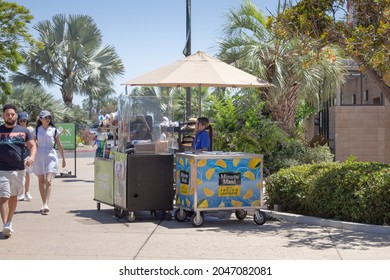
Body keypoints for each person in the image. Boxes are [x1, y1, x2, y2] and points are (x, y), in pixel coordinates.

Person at [0, 104, 36, 238]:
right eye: (7, 114)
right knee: (3, 196)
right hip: (2, 169)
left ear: (16, 115)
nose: (10, 116)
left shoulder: (24, 131)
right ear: (3, 115)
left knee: (13, 197)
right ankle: (5, 225)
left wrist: (31, 157)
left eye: (12, 114)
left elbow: (32, 146)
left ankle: (9, 222)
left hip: (19, 169)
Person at [33, 110, 66, 215]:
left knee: (48, 181)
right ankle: (44, 203)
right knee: (41, 181)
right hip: (39, 156)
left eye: (49, 118)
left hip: (51, 156)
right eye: (45, 117)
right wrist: (31, 157)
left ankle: (46, 203)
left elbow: (59, 145)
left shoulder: (54, 130)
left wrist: (63, 159)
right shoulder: (36, 131)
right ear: (40, 119)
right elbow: (32, 145)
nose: (48, 119)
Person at [17, 112, 34, 201]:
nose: (23, 122)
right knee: (20, 174)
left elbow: (33, 142)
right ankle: (21, 193)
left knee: (27, 173)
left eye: (24, 120)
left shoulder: (30, 129)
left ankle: (27, 192)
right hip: (18, 153)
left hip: (27, 153)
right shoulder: (15, 130)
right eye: (21, 120)